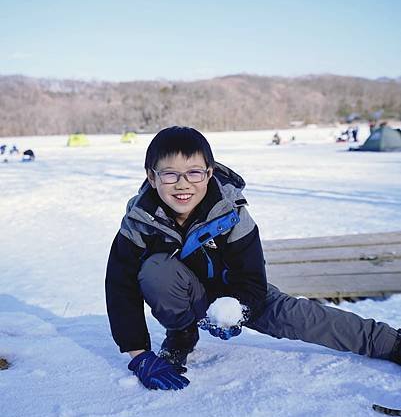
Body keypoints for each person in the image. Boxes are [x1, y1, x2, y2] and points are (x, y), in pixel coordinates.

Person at [105, 126, 401, 391]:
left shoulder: (231, 213)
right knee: (156, 270)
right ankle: (182, 334)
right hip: (185, 295)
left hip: (240, 296)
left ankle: (390, 342)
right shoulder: (139, 222)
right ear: (151, 177)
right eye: (170, 174)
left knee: (304, 317)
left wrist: (241, 310)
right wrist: (139, 355)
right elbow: (121, 288)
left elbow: (252, 278)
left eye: (194, 172)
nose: (183, 184)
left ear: (209, 173)